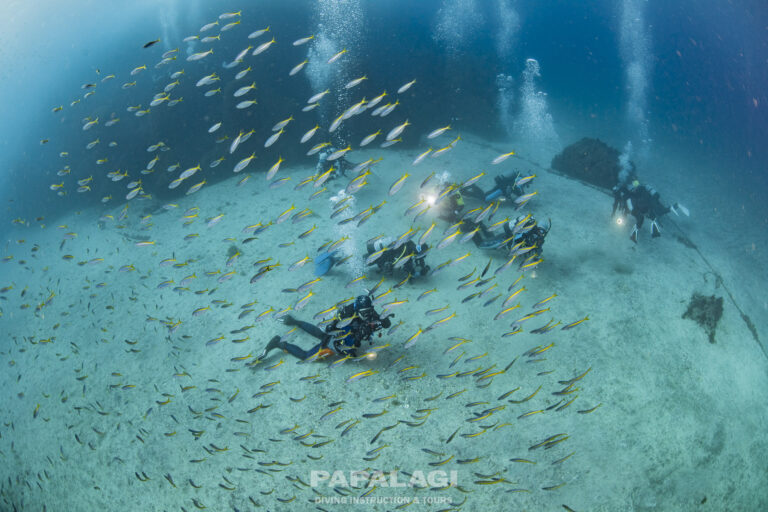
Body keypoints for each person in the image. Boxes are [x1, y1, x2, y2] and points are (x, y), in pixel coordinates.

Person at [258, 295, 392, 361]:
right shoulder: (346, 314)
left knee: (322, 334)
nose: (368, 315)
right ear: (358, 310)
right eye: (365, 312)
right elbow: (335, 333)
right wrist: (358, 335)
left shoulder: (369, 312)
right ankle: (279, 343)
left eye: (369, 311)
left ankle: (293, 321)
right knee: (306, 356)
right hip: (335, 338)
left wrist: (384, 320)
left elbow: (385, 323)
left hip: (337, 333)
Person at [612, 179, 689, 242]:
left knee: (655, 213)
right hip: (650, 201)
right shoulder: (637, 192)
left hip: (648, 202)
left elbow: (632, 208)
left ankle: (673, 208)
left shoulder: (632, 195)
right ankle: (675, 206)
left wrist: (617, 215)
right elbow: (631, 207)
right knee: (659, 212)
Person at [476, 215, 551, 260]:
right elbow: (517, 237)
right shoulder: (529, 229)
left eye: (543, 232)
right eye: (540, 230)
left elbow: (538, 249)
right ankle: (475, 230)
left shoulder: (539, 238)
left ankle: (481, 226)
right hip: (507, 238)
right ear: (537, 227)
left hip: (510, 241)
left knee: (491, 238)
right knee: (481, 245)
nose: (541, 234)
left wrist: (537, 256)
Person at [365, 238, 431, 277]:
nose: (422, 258)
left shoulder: (410, 243)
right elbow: (410, 271)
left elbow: (416, 257)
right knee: (367, 262)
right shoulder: (406, 252)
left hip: (375, 246)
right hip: (378, 253)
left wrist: (422, 265)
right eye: (422, 255)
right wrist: (420, 273)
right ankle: (361, 266)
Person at [464, 171, 534, 203]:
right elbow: (517, 190)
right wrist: (523, 196)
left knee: (486, 195)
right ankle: (472, 187)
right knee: (485, 198)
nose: (528, 183)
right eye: (529, 182)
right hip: (501, 189)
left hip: (501, 186)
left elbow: (516, 188)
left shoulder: (519, 177)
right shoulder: (520, 180)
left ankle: (469, 191)